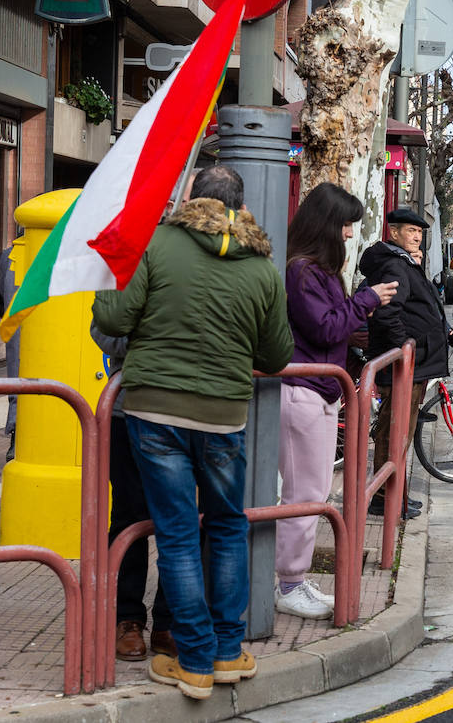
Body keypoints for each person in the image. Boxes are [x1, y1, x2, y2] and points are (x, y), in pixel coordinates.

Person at [92, 165, 293, 700]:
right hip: (224, 414)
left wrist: (111, 273)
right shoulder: (264, 268)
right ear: (239, 207)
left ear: (193, 201)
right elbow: (277, 356)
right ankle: (228, 652)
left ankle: (195, 661)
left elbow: (112, 319)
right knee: (226, 526)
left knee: (176, 534)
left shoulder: (157, 246)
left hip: (154, 411)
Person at [276, 184, 397, 620]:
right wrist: (366, 301)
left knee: (311, 489)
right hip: (305, 389)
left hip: (320, 389)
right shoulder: (302, 272)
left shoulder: (313, 270)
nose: (349, 234)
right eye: (346, 225)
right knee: (306, 491)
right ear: (327, 225)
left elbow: (331, 326)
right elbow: (325, 329)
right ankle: (289, 582)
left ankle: (292, 578)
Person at [358, 207, 450, 519]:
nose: (417, 237)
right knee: (395, 431)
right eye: (411, 231)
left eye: (420, 233)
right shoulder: (396, 266)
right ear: (394, 232)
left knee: (399, 431)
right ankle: (385, 497)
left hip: (412, 364)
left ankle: (394, 494)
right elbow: (387, 313)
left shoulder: (401, 263)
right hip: (406, 366)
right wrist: (405, 351)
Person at [92, 322, 176, 662]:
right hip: (128, 408)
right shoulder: (122, 269)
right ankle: (127, 619)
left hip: (184, 408)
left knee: (181, 520)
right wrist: (159, 333)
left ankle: (168, 623)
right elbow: (103, 331)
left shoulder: (199, 266)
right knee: (129, 518)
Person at [0, 237, 20, 463]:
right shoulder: (54, 252)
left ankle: (15, 436)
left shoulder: (7, 256)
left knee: (17, 379)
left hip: (15, 327)